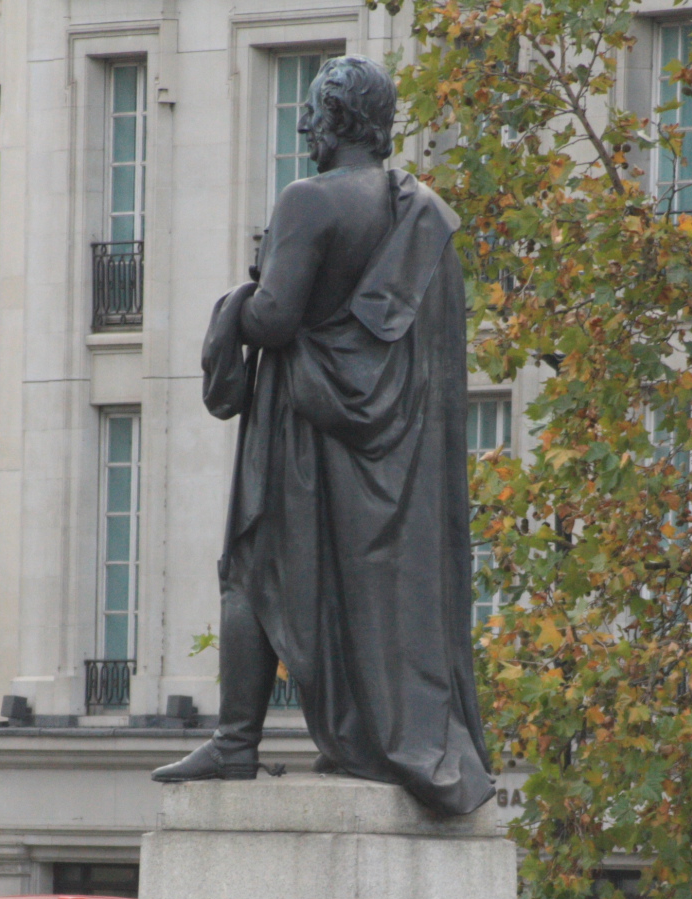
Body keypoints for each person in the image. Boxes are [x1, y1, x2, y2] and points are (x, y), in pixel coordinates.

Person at [155, 55, 494, 814]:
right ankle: (371, 731)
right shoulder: (425, 213)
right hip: (385, 447)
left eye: (310, 113)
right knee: (351, 588)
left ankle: (236, 741)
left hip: (301, 430)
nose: (304, 127)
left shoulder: (308, 200)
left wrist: (235, 301)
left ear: (336, 120)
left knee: (252, 565)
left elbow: (276, 317)